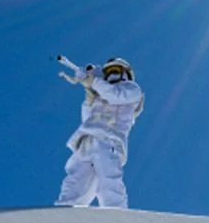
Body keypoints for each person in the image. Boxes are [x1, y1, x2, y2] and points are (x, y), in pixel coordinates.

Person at [54, 55, 144, 208]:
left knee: (109, 180)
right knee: (76, 180)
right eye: (109, 72)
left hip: (109, 141)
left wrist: (94, 82)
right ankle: (65, 212)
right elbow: (87, 120)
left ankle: (116, 214)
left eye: (115, 70)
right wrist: (89, 98)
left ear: (125, 73)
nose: (112, 74)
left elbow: (115, 95)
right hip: (87, 142)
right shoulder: (100, 92)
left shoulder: (132, 89)